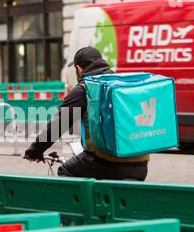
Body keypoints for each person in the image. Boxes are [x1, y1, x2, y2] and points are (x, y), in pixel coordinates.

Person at [24, 46, 149, 181]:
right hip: (140, 163)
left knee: (66, 170)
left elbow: (57, 126)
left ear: (79, 68)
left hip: (106, 163)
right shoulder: (119, 84)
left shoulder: (85, 89)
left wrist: (34, 151)